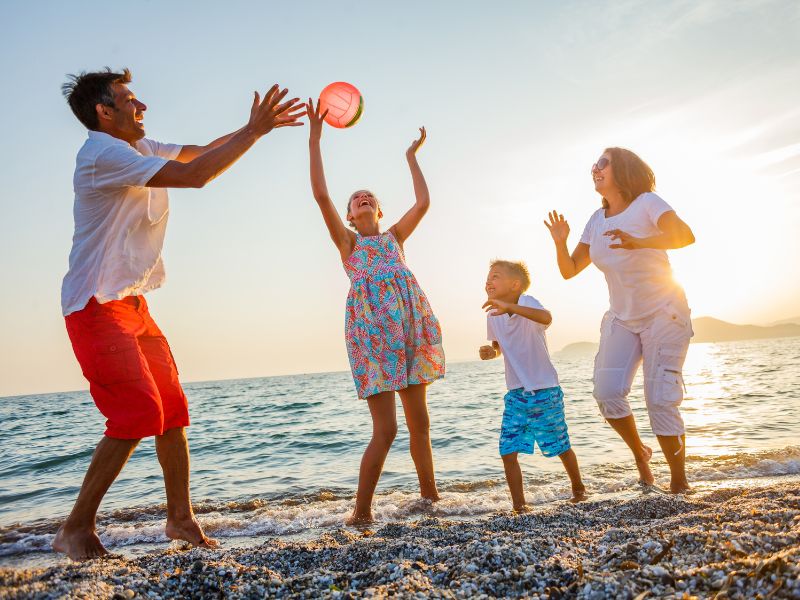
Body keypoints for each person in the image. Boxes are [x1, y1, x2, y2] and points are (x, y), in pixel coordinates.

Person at [55, 67, 305, 560]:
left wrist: (256, 125)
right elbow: (195, 176)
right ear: (104, 112)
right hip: (94, 306)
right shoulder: (102, 154)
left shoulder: (137, 149)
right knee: (138, 412)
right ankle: (75, 529)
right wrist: (254, 133)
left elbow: (200, 152)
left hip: (131, 303)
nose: (141, 106)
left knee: (171, 409)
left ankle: (180, 519)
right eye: (129, 99)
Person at [306, 98, 445, 524]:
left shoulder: (395, 238)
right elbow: (320, 194)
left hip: (409, 330)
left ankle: (431, 501)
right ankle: (361, 511)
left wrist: (411, 157)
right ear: (350, 216)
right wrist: (316, 137)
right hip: (372, 337)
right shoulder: (349, 245)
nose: (363, 199)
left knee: (419, 424)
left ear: (379, 211)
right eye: (356, 200)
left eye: (370, 197)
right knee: (386, 430)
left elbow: (423, 201)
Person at [544, 147, 695, 494]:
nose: (594, 168)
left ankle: (679, 482)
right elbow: (569, 270)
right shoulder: (596, 220)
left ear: (622, 170)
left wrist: (640, 241)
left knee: (660, 399)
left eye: (602, 163)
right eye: (594, 164)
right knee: (607, 393)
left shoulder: (647, 203)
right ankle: (641, 454)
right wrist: (560, 242)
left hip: (664, 312)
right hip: (623, 318)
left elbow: (685, 235)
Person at [480, 260, 586, 510]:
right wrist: (490, 352)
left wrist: (510, 306)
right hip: (516, 393)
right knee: (508, 450)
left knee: (560, 444)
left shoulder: (528, 303)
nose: (488, 282)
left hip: (544, 389)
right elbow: (499, 347)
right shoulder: (492, 315)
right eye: (487, 277)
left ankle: (579, 489)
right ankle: (519, 505)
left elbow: (546, 317)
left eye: (495, 276)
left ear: (515, 284)